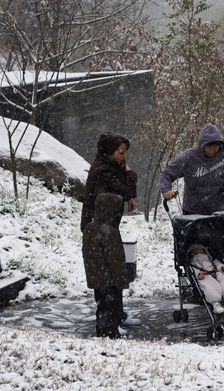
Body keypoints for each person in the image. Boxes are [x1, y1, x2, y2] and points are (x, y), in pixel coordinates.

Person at [81, 132, 141, 334]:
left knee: (116, 271)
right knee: (104, 277)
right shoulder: (101, 171)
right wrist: (131, 177)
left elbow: (123, 186)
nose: (124, 157)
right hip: (96, 229)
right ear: (109, 152)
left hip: (108, 227)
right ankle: (107, 324)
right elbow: (124, 188)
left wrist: (129, 193)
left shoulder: (111, 165)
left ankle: (118, 315)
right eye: (121, 152)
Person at [160, 123, 224, 215]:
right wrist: (166, 190)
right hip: (193, 211)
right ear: (202, 146)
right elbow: (166, 174)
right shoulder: (189, 157)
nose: (212, 150)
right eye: (209, 147)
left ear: (220, 145)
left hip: (218, 209)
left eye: (215, 146)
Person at [82, 193, 130, 339]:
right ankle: (111, 333)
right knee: (111, 307)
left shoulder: (90, 228)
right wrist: (122, 280)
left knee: (101, 307)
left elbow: (88, 253)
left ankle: (102, 331)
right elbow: (115, 260)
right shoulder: (110, 231)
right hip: (109, 278)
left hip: (96, 275)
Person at [188, 244, 224, 314]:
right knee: (211, 287)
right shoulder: (194, 264)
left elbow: (219, 264)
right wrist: (198, 274)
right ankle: (216, 304)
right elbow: (193, 270)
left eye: (201, 253)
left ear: (206, 253)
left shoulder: (212, 261)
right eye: (196, 254)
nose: (199, 255)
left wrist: (222, 268)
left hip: (217, 273)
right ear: (192, 255)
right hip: (205, 276)